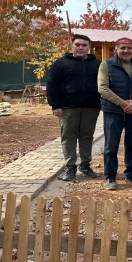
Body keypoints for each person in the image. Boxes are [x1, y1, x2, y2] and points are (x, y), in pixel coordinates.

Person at [98, 37, 132, 190]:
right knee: (111, 145)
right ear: (115, 49)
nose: (126, 51)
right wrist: (122, 103)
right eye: (122, 48)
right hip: (113, 111)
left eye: (129, 48)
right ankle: (110, 176)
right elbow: (102, 88)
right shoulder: (106, 65)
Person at [47, 34, 101, 181]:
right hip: (67, 108)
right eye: (78, 44)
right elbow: (52, 84)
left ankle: (85, 165)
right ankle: (70, 167)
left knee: (86, 137)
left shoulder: (97, 64)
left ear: (89, 47)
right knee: (69, 137)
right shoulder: (60, 63)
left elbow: (103, 84)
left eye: (84, 45)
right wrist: (55, 105)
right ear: (72, 46)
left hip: (91, 107)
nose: (81, 47)